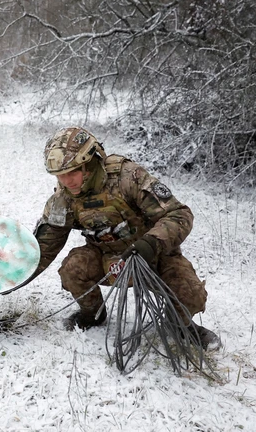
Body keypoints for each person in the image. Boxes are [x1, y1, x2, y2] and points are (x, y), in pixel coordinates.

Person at [32, 126, 221, 350]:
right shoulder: (63, 199)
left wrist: (150, 243)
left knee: (190, 293)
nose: (66, 181)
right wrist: (7, 280)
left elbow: (179, 214)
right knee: (73, 268)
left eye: (72, 172)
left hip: (152, 255)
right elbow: (44, 246)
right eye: (60, 176)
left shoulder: (127, 177)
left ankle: (181, 326)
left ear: (90, 163)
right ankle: (92, 314)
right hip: (107, 259)